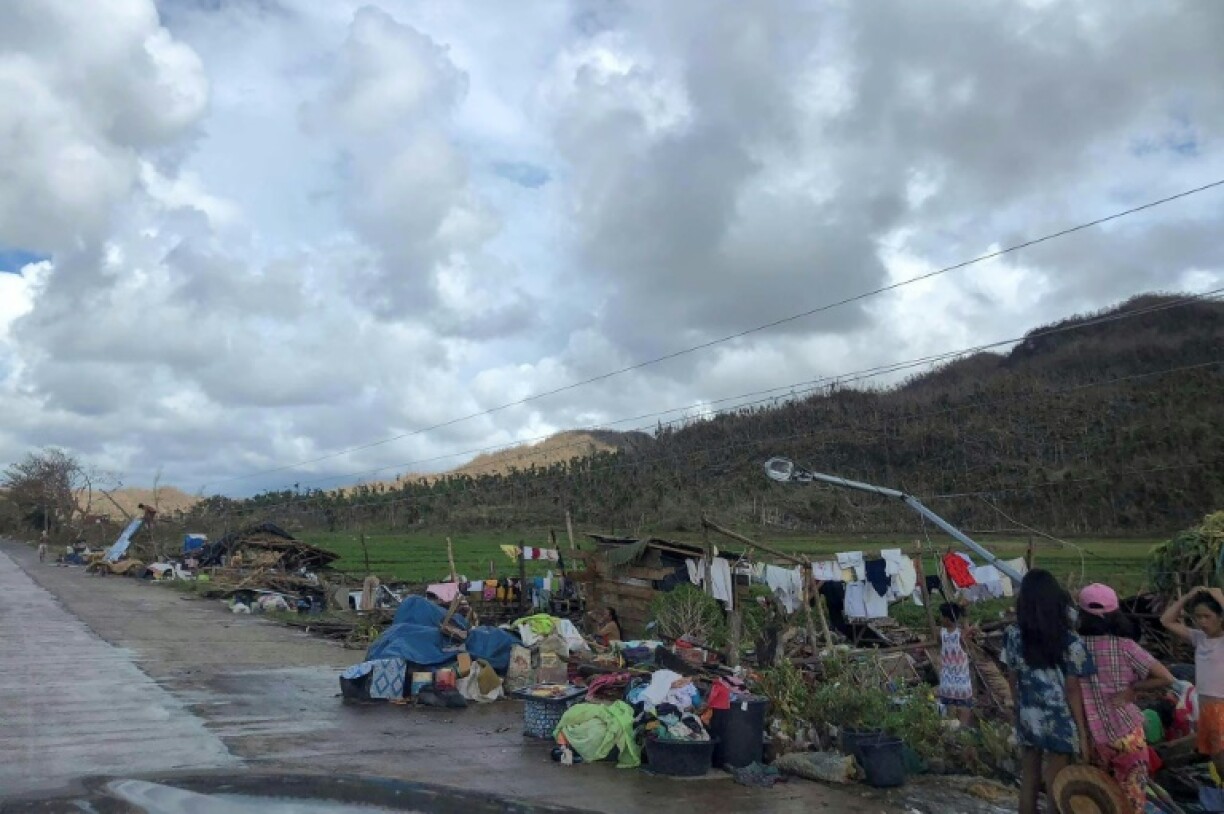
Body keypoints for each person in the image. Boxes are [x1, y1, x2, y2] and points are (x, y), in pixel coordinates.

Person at [1000, 569, 1096, 814]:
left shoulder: (1012, 635)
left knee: (1029, 777)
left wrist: (1018, 706)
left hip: (1029, 714)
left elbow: (1012, 676)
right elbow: (1073, 689)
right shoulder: (1069, 640)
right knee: (1057, 782)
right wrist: (1083, 733)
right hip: (1059, 717)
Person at [1077, 583, 1173, 814]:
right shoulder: (1125, 647)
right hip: (1127, 734)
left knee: (1103, 799)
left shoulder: (1074, 649)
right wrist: (1134, 688)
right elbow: (1166, 677)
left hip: (1093, 736)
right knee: (1132, 799)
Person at [1161, 586, 1224, 779]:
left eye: (1208, 616)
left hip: (1221, 709)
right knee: (1216, 759)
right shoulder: (1200, 638)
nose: (1202, 622)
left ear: (1221, 617)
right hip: (1205, 710)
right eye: (1198, 617)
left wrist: (1219, 597)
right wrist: (1188, 596)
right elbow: (1166, 620)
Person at [938, 602, 975, 726]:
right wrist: (964, 613)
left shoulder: (942, 634)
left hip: (947, 683)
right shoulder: (961, 635)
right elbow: (966, 631)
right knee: (963, 722)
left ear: (947, 619)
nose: (940, 619)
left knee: (950, 722)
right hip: (961, 683)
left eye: (942, 616)